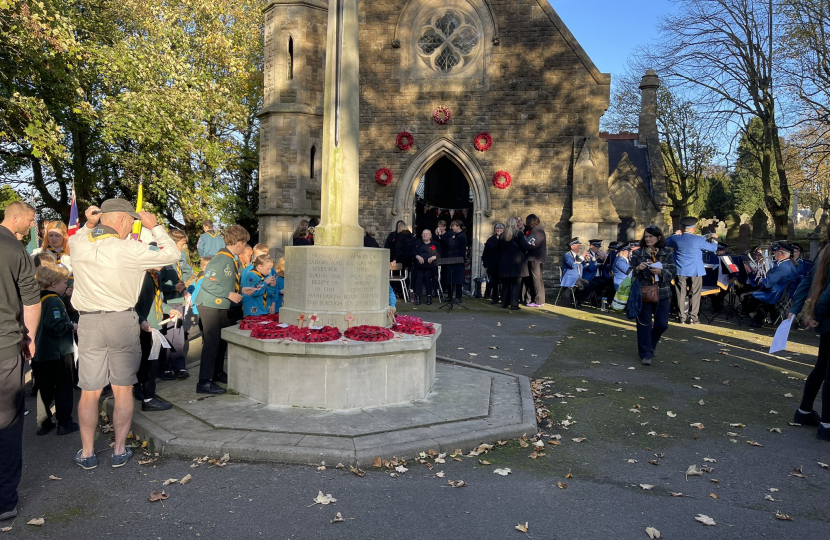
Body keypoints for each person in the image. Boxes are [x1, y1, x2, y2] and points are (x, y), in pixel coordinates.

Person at [69, 199, 180, 470]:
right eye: (131, 220)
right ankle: (119, 450)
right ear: (120, 220)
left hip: (90, 322)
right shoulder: (130, 248)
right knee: (122, 389)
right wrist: (156, 227)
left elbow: (83, 231)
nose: (133, 224)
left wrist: (90, 221)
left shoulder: (79, 244)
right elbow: (172, 254)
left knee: (89, 391)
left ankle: (87, 452)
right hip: (122, 320)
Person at [0, 201, 40, 522]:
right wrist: (31, 337)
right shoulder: (16, 251)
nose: (30, 226)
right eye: (29, 220)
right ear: (15, 217)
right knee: (8, 421)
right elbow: (31, 302)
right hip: (6, 348)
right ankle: (4, 500)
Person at [194, 225, 253, 394]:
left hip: (220, 304)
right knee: (211, 343)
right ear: (240, 243)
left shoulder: (230, 258)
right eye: (244, 244)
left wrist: (241, 290)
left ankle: (217, 373)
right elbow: (208, 283)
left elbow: (225, 281)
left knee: (221, 341)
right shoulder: (221, 259)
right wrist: (229, 294)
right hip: (210, 305)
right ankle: (204, 382)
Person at [788, 230, 830, 441]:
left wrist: (796, 310)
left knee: (822, 366)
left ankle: (804, 412)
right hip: (827, 317)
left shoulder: (824, 253)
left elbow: (808, 282)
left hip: (825, 319)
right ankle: (827, 425)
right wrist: (817, 315)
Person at [32, 265, 79, 435]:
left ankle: (43, 422)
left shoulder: (38, 298)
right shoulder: (54, 301)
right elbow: (55, 325)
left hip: (42, 352)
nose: (65, 286)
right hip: (58, 352)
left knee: (44, 388)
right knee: (63, 387)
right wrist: (71, 326)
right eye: (63, 282)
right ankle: (65, 422)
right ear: (53, 284)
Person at [134, 264, 179, 412]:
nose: (163, 265)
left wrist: (168, 309)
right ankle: (148, 397)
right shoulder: (141, 277)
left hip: (155, 324)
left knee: (150, 361)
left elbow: (156, 300)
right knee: (150, 363)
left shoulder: (155, 276)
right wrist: (141, 320)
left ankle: (141, 389)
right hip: (147, 326)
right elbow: (134, 304)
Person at [629, 225, 676, 366]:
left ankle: (651, 343)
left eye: (651, 236)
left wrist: (661, 272)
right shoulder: (638, 254)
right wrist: (637, 269)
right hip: (643, 292)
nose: (648, 239)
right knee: (644, 324)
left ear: (658, 238)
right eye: (646, 236)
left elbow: (673, 271)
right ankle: (646, 353)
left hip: (663, 292)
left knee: (662, 324)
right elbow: (629, 273)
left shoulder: (667, 252)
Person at [666, 217, 718, 324]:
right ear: (693, 229)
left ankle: (681, 317)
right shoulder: (699, 239)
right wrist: (714, 239)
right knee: (695, 293)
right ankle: (693, 317)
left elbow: (665, 242)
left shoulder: (676, 238)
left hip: (680, 269)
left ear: (682, 227)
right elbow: (713, 248)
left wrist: (674, 234)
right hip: (696, 270)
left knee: (680, 293)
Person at [158, 229, 192, 380]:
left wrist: (182, 285)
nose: (184, 247)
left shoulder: (179, 257)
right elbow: (157, 284)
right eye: (182, 244)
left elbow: (187, 272)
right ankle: (164, 367)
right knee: (166, 336)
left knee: (178, 336)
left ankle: (179, 366)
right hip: (167, 303)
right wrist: (172, 287)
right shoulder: (164, 260)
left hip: (178, 301)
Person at [741, 242, 797, 328]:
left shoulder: (782, 266)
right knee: (753, 296)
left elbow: (767, 284)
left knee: (747, 298)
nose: (774, 253)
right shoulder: (789, 264)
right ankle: (771, 316)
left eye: (776, 251)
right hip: (781, 292)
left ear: (781, 253)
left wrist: (758, 279)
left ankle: (758, 319)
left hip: (775, 294)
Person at [498, 217, 534, 310]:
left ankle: (504, 303)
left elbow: (499, 249)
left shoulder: (502, 235)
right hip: (517, 262)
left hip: (505, 261)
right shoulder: (518, 233)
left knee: (505, 283)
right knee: (516, 283)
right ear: (515, 224)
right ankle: (514, 304)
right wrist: (532, 246)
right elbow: (524, 246)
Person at [438, 220, 468, 304]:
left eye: (454, 226)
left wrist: (450, 241)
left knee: (458, 279)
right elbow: (448, 243)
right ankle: (450, 296)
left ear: (458, 226)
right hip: (451, 260)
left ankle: (458, 297)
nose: (452, 227)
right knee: (450, 279)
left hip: (458, 260)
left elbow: (451, 245)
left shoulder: (462, 236)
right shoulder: (453, 235)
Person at [561, 238, 595, 307]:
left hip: (578, 278)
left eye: (580, 246)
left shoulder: (578, 257)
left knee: (593, 284)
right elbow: (573, 265)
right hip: (570, 278)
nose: (580, 247)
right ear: (572, 246)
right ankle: (575, 300)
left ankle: (579, 299)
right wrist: (582, 256)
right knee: (582, 285)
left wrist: (588, 260)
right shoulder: (567, 255)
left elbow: (585, 267)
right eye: (578, 246)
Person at [523, 214, 546, 307]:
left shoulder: (535, 230)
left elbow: (529, 244)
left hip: (534, 258)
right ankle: (541, 300)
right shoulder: (539, 228)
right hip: (539, 257)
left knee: (535, 279)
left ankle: (537, 301)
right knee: (539, 279)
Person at [412, 229, 439, 305]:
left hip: (430, 267)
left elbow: (440, 254)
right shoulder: (418, 244)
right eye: (423, 234)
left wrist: (433, 257)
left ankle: (429, 296)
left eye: (427, 234)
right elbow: (413, 252)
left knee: (427, 276)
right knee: (419, 276)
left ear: (430, 236)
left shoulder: (435, 244)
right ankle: (418, 297)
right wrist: (418, 256)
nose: (425, 235)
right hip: (419, 267)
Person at [482, 223, 504, 304]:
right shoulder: (490, 240)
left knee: (504, 283)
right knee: (494, 282)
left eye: (501, 228)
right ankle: (495, 298)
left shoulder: (506, 239)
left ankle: (503, 298)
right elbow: (485, 253)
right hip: (493, 264)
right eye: (497, 228)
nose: (499, 230)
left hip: (503, 265)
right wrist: (486, 263)